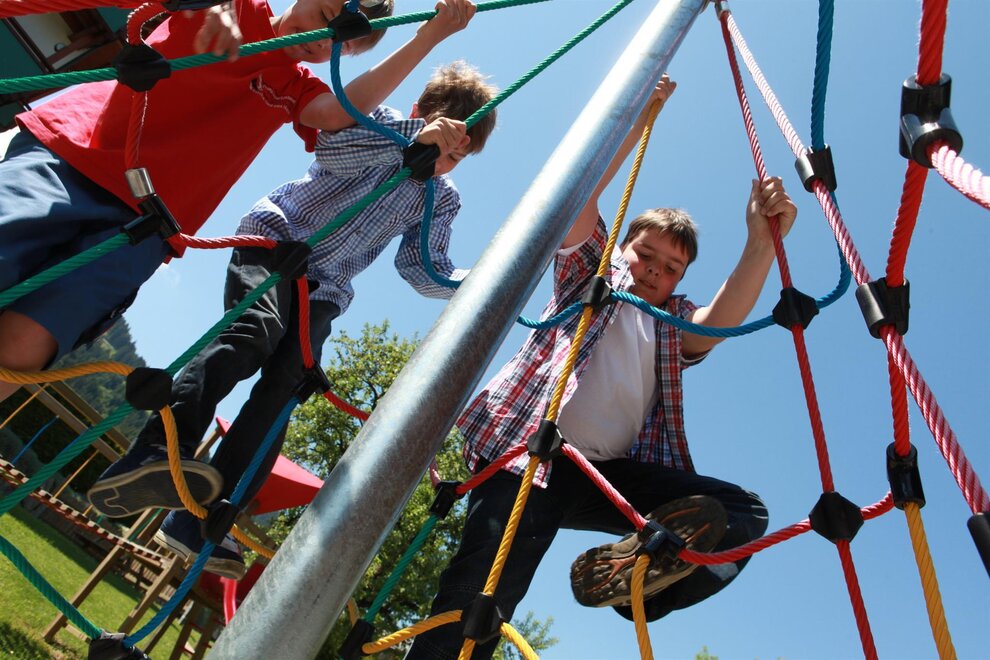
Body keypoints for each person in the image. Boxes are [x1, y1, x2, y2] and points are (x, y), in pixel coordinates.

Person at [406, 76, 794, 659]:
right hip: (529, 453)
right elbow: (582, 198)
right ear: (622, 249)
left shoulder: (670, 321)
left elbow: (720, 320)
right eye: (646, 254)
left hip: (606, 474)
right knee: (483, 594)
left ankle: (641, 583)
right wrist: (638, 117)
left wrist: (759, 243)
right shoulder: (591, 277)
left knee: (741, 512)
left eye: (671, 268)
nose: (655, 270)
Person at [87, 60, 498, 579]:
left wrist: (478, 278)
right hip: (276, 244)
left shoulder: (442, 197)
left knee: (289, 383)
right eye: (446, 145)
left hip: (325, 290)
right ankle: (157, 450)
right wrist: (410, 142)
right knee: (254, 331)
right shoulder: (381, 124)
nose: (444, 161)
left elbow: (422, 267)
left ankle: (203, 518)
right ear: (421, 113)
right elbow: (331, 150)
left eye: (457, 157)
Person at [0, 0, 479, 404]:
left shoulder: (294, 86)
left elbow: (338, 113)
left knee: (26, 346)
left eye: (341, 42)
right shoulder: (237, 8)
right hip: (73, 157)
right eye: (324, 15)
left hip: (148, 222)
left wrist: (429, 36)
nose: (322, 39)